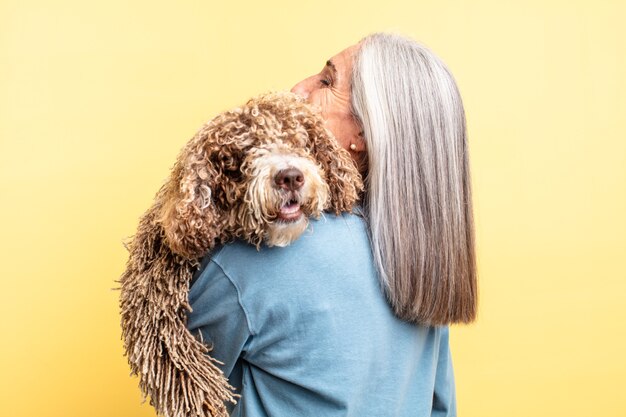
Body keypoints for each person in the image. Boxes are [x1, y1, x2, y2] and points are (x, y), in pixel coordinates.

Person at [187, 32, 477, 417]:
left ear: (363, 134)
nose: (298, 89)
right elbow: (441, 408)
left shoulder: (253, 260)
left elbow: (182, 388)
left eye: (327, 81)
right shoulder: (421, 267)